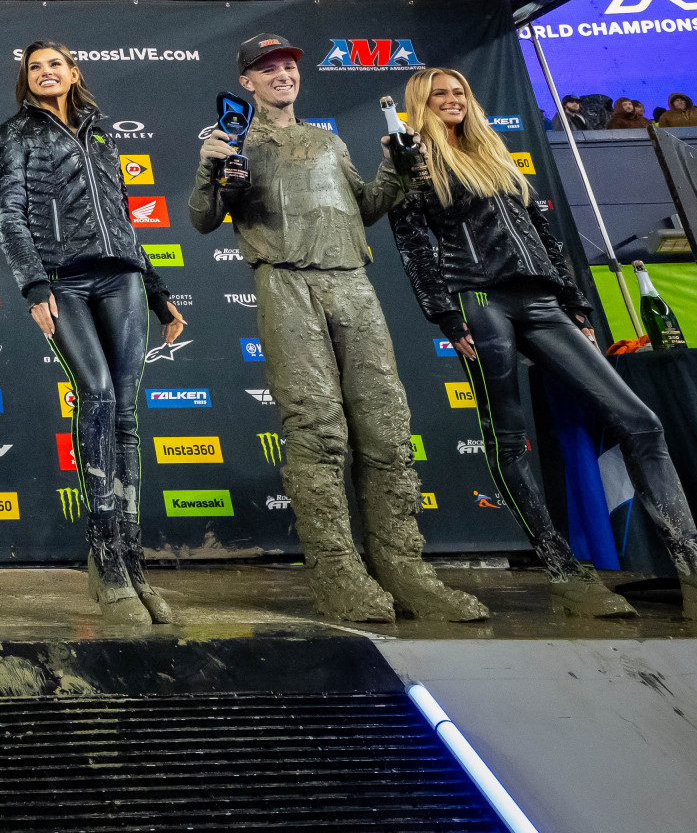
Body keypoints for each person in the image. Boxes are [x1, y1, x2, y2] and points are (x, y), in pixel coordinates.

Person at [388, 67, 697, 627]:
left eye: (459, 91)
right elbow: (414, 243)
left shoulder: (494, 154)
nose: (452, 100)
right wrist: (444, 314)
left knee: (641, 422)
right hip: (476, 301)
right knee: (510, 437)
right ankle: (564, 573)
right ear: (421, 102)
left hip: (541, 301)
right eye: (439, 94)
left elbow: (541, 234)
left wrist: (577, 304)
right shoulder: (413, 162)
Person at [187, 34, 486, 623]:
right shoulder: (233, 141)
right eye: (266, 69)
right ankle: (337, 573)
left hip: (352, 282)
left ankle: (404, 568)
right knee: (317, 427)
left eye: (288, 68)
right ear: (246, 82)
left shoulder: (327, 138)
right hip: (286, 283)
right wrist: (213, 169)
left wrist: (398, 170)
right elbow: (202, 219)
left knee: (385, 426)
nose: (282, 76)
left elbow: (366, 206)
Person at [0, 40, 187, 625]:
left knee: (126, 411)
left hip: (122, 277)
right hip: (62, 279)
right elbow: (8, 212)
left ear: (74, 72)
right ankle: (105, 566)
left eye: (57, 64)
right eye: (35, 67)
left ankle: (133, 567)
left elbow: (123, 212)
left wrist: (159, 293)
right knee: (97, 396)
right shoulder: (14, 133)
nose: (47, 72)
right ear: (26, 80)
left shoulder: (102, 131)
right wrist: (33, 286)